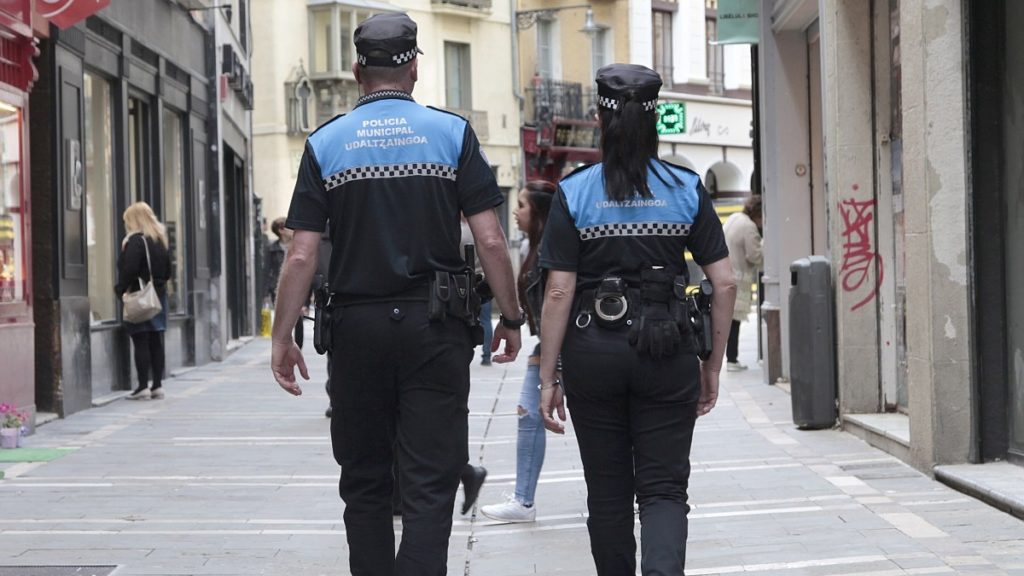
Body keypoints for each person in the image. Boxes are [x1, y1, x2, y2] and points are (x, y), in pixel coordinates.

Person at [270, 12, 523, 576]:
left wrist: (282, 334)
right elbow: (489, 238)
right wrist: (509, 315)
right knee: (431, 483)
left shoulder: (325, 143)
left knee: (364, 482)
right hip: (435, 328)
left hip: (356, 330)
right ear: (413, 67)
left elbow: (303, 254)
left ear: (358, 70)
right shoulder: (451, 134)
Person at [537, 64, 737, 576]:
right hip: (667, 346)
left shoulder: (576, 192)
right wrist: (711, 363)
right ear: (655, 123)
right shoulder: (685, 187)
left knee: (607, 492)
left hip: (592, 354)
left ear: (601, 121)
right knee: (664, 489)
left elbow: (559, 289)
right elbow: (727, 282)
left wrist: (548, 376)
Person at [480, 180, 556, 523]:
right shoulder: (533, 247)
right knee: (528, 414)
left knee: (595, 425)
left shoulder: (555, 248)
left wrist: (558, 365)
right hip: (548, 347)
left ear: (538, 213)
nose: (515, 210)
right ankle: (523, 501)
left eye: (522, 205)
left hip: (569, 348)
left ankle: (628, 493)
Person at [115, 202, 172, 401]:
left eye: (126, 221)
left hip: (140, 295)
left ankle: (142, 387)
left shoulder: (136, 241)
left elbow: (129, 269)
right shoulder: (160, 239)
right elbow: (168, 271)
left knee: (140, 339)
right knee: (157, 340)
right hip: (159, 295)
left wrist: (120, 289)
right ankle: (157, 385)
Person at [722, 195, 763, 371]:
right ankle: (732, 359)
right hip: (737, 277)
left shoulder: (735, 218)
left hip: (724, 273)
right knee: (734, 320)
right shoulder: (749, 226)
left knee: (726, 320)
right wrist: (766, 246)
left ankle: (729, 358)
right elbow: (754, 255)